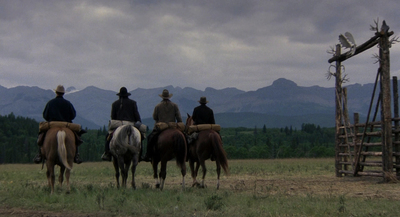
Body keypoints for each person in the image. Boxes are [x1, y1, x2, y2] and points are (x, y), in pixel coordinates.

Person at [33, 85, 84, 164]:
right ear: (63, 94)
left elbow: (45, 115)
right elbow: (73, 115)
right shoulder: (68, 103)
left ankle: (39, 154)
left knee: (41, 135)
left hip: (52, 124)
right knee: (76, 137)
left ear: (56, 92)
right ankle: (76, 155)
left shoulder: (50, 103)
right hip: (66, 125)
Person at [101, 87, 142, 161]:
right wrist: (138, 122)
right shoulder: (133, 103)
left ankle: (107, 153)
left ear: (119, 95)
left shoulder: (115, 104)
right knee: (141, 136)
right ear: (127, 95)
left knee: (108, 136)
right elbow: (136, 115)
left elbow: (113, 116)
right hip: (131, 124)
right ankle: (140, 154)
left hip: (118, 124)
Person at [141, 89, 182, 162]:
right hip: (172, 127)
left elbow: (154, 117)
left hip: (160, 127)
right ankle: (185, 154)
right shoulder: (174, 105)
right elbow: (179, 117)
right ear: (169, 97)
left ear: (162, 97)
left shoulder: (158, 106)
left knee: (150, 138)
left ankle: (148, 155)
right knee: (184, 137)